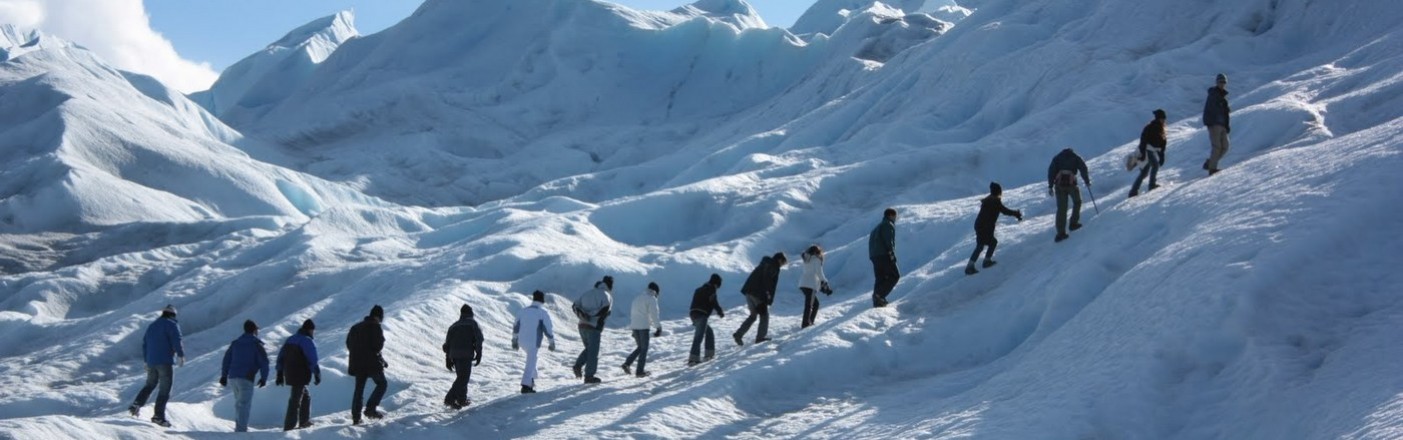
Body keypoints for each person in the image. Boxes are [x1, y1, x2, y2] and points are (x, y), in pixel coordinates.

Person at [127, 304, 184, 428]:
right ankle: (158, 416)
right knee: (165, 389)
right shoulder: (172, 324)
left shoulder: (152, 326)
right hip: (165, 361)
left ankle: (137, 404)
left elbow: (145, 344)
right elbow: (176, 339)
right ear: (173, 314)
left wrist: (146, 361)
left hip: (151, 361)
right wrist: (180, 354)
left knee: (150, 384)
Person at [219, 320, 269, 432]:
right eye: (257, 329)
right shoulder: (256, 344)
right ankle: (241, 432)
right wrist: (264, 378)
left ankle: (239, 428)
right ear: (254, 330)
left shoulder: (236, 343)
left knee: (239, 404)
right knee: (244, 405)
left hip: (233, 377)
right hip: (246, 377)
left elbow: (227, 359)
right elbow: (264, 362)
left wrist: (224, 375)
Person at [966, 182, 1023, 275]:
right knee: (992, 242)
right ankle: (985, 262)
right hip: (985, 226)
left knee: (981, 246)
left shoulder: (988, 199)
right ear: (998, 191)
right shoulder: (995, 201)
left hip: (979, 225)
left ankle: (971, 266)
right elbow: (1005, 211)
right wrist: (1016, 213)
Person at [275, 319, 320, 431]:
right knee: (295, 399)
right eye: (312, 330)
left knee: (305, 395)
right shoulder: (306, 341)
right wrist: (317, 373)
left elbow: (281, 357)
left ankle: (304, 421)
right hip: (300, 373)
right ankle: (289, 426)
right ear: (310, 330)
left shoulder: (290, 339)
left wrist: (280, 373)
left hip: (289, 372)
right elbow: (312, 359)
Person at [346, 305, 388, 425]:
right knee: (382, 384)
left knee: (359, 389)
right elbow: (378, 346)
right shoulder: (375, 327)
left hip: (357, 363)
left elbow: (349, 344)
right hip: (371, 363)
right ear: (378, 316)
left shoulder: (355, 328)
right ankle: (370, 409)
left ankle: (356, 417)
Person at [734, 252, 786, 345]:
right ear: (779, 260)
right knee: (764, 315)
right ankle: (760, 337)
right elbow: (767, 281)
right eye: (783, 262)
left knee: (753, 315)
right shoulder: (773, 266)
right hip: (758, 294)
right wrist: (767, 293)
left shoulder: (764, 263)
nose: (782, 265)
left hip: (749, 291)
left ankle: (738, 334)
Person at [513, 290, 557, 394]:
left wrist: (514, 340)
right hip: (533, 341)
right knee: (531, 361)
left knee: (532, 359)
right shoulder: (542, 312)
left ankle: (531, 380)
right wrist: (551, 342)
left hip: (522, 340)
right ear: (542, 300)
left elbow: (516, 326)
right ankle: (526, 385)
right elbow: (548, 328)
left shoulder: (522, 311)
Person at [572, 276, 613, 384]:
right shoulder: (606, 295)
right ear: (610, 285)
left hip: (581, 326)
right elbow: (605, 309)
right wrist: (594, 317)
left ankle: (578, 366)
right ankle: (589, 376)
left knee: (589, 350)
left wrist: (583, 315)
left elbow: (574, 305)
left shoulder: (587, 293)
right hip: (594, 327)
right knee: (593, 352)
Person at [442, 304, 484, 410]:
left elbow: (447, 344)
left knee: (461, 376)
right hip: (465, 354)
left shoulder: (453, 326)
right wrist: (479, 353)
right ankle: (449, 399)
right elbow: (479, 339)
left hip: (454, 355)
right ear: (470, 313)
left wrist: (448, 358)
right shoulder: (473, 324)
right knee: (463, 378)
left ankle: (461, 399)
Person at [1047, 148, 1091, 242]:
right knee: (1077, 202)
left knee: (1062, 208)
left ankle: (1060, 233)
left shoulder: (1057, 158)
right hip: (1072, 185)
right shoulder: (1075, 157)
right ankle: (1073, 223)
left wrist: (1050, 186)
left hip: (1059, 186)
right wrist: (1086, 181)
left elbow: (1051, 171)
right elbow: (1083, 168)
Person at [623, 282, 662, 378]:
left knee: (640, 347)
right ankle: (639, 371)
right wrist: (658, 327)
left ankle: (627, 363)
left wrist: (633, 327)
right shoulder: (651, 299)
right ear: (656, 291)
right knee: (644, 349)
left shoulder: (637, 298)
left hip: (635, 326)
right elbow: (654, 314)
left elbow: (635, 313)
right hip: (643, 327)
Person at [688, 274, 725, 366]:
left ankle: (709, 354)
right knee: (698, 337)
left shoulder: (699, 289)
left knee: (709, 332)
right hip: (701, 314)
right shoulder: (711, 290)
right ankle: (693, 359)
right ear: (716, 284)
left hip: (693, 314)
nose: (717, 287)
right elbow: (714, 303)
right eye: (718, 285)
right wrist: (720, 312)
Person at [1130, 109, 1169, 197]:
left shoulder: (1159, 128)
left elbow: (1162, 144)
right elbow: (1143, 140)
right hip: (1147, 151)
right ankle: (1151, 185)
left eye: (1164, 119)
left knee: (1144, 172)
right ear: (1158, 118)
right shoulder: (1151, 127)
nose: (1164, 120)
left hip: (1149, 151)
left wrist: (1161, 154)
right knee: (1154, 166)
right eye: (1162, 119)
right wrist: (1143, 153)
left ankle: (1133, 191)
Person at [868, 208, 900, 307]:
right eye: (895, 216)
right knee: (895, 275)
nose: (896, 218)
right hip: (884, 255)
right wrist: (891, 254)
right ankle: (879, 295)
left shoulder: (875, 228)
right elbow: (888, 241)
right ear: (890, 215)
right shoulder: (888, 225)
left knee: (880, 278)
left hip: (874, 256)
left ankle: (877, 301)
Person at [1202, 73, 1232, 175]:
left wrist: (1227, 125)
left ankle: (1210, 163)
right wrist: (1210, 123)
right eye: (1220, 81)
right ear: (1217, 82)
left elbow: (1224, 112)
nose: (1222, 83)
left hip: (1222, 125)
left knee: (1225, 147)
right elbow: (1210, 110)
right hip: (1214, 124)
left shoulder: (1222, 96)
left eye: (1224, 82)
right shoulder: (1213, 94)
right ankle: (1212, 169)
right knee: (1217, 147)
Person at [797, 245, 831, 328]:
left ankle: (809, 322)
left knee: (815, 304)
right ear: (817, 252)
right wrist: (826, 283)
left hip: (803, 284)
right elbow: (819, 273)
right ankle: (806, 324)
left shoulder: (806, 259)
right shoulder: (816, 260)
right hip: (811, 284)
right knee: (809, 305)